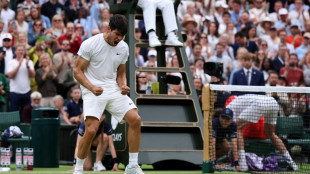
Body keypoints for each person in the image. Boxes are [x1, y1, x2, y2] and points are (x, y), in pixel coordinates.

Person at [73, 14, 144, 174]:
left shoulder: (124, 47)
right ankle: (78, 169)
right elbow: (77, 71)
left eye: (122, 35)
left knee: (135, 120)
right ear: (108, 29)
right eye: (117, 34)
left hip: (112, 89)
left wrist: (123, 85)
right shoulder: (90, 44)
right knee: (91, 130)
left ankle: (132, 166)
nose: (119, 38)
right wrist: (91, 88)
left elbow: (120, 73)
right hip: (92, 89)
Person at [226, 94, 298, 171]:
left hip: (259, 104)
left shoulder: (227, 111)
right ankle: (292, 163)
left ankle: (243, 164)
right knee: (270, 133)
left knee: (237, 128)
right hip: (273, 103)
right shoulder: (235, 104)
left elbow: (234, 135)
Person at [7, 44, 35, 112]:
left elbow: (33, 75)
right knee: (14, 113)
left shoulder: (29, 62)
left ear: (25, 51)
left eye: (22, 50)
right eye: (19, 50)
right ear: (15, 52)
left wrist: (27, 66)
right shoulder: (11, 62)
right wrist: (19, 64)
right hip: (14, 92)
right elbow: (10, 76)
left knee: (26, 114)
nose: (21, 52)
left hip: (26, 92)